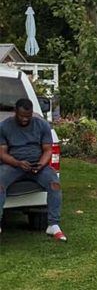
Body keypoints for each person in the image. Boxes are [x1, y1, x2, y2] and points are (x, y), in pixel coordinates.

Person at [0, 98, 66, 240]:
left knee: (55, 183)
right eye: (21, 116)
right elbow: (2, 154)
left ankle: (53, 225)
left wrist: (41, 164)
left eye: (28, 116)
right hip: (13, 165)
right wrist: (18, 163)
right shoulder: (4, 126)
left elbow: (47, 150)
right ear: (15, 112)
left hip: (37, 166)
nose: (25, 119)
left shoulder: (42, 125)